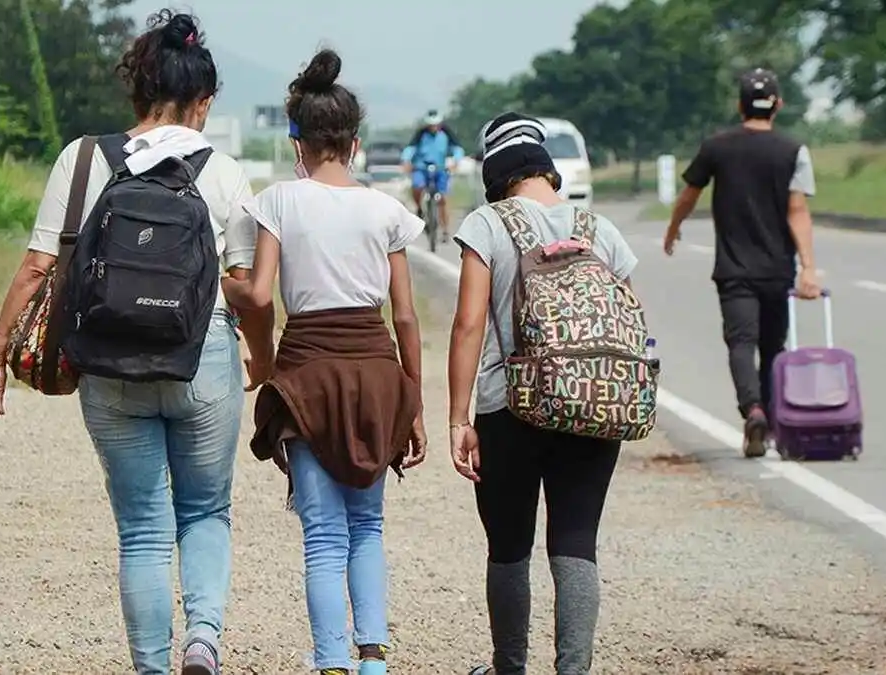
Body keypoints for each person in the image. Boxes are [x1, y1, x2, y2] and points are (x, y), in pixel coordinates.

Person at [0, 10, 273, 675]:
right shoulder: (223, 170)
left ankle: (149, 665)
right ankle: (202, 638)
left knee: (142, 523)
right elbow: (244, 286)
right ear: (201, 102)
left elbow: (35, 266)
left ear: (135, 90)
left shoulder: (83, 158)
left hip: (108, 362)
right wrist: (263, 356)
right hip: (202, 360)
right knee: (204, 510)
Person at [221, 48, 427, 675]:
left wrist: (219, 284)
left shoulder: (279, 201)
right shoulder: (386, 210)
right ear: (355, 144)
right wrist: (413, 403)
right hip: (374, 372)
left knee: (322, 536)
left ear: (297, 143)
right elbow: (406, 316)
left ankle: (330, 661)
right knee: (367, 526)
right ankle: (373, 658)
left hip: (307, 373)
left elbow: (258, 296)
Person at [448, 113, 638, 675]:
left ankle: (511, 668)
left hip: (509, 406)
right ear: (547, 167)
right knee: (576, 541)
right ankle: (573, 669)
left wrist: (459, 418)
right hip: (592, 401)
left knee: (509, 546)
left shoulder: (488, 223)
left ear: (494, 170)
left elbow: (467, 325)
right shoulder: (598, 228)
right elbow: (629, 317)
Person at [663, 67, 822, 459]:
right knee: (772, 346)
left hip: (734, 270)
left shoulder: (717, 146)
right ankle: (766, 417)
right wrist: (808, 266)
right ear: (778, 105)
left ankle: (751, 410)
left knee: (740, 342)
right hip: (777, 269)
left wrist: (673, 227)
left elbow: (689, 194)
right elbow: (797, 210)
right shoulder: (793, 150)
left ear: (739, 105)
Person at [400, 109, 466, 241]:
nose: (433, 127)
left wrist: (456, 161)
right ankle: (419, 208)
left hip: (440, 168)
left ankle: (445, 229)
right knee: (417, 186)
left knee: (443, 198)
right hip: (421, 167)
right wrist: (406, 161)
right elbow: (410, 149)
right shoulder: (421, 134)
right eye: (431, 125)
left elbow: (457, 149)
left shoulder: (446, 134)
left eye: (435, 125)